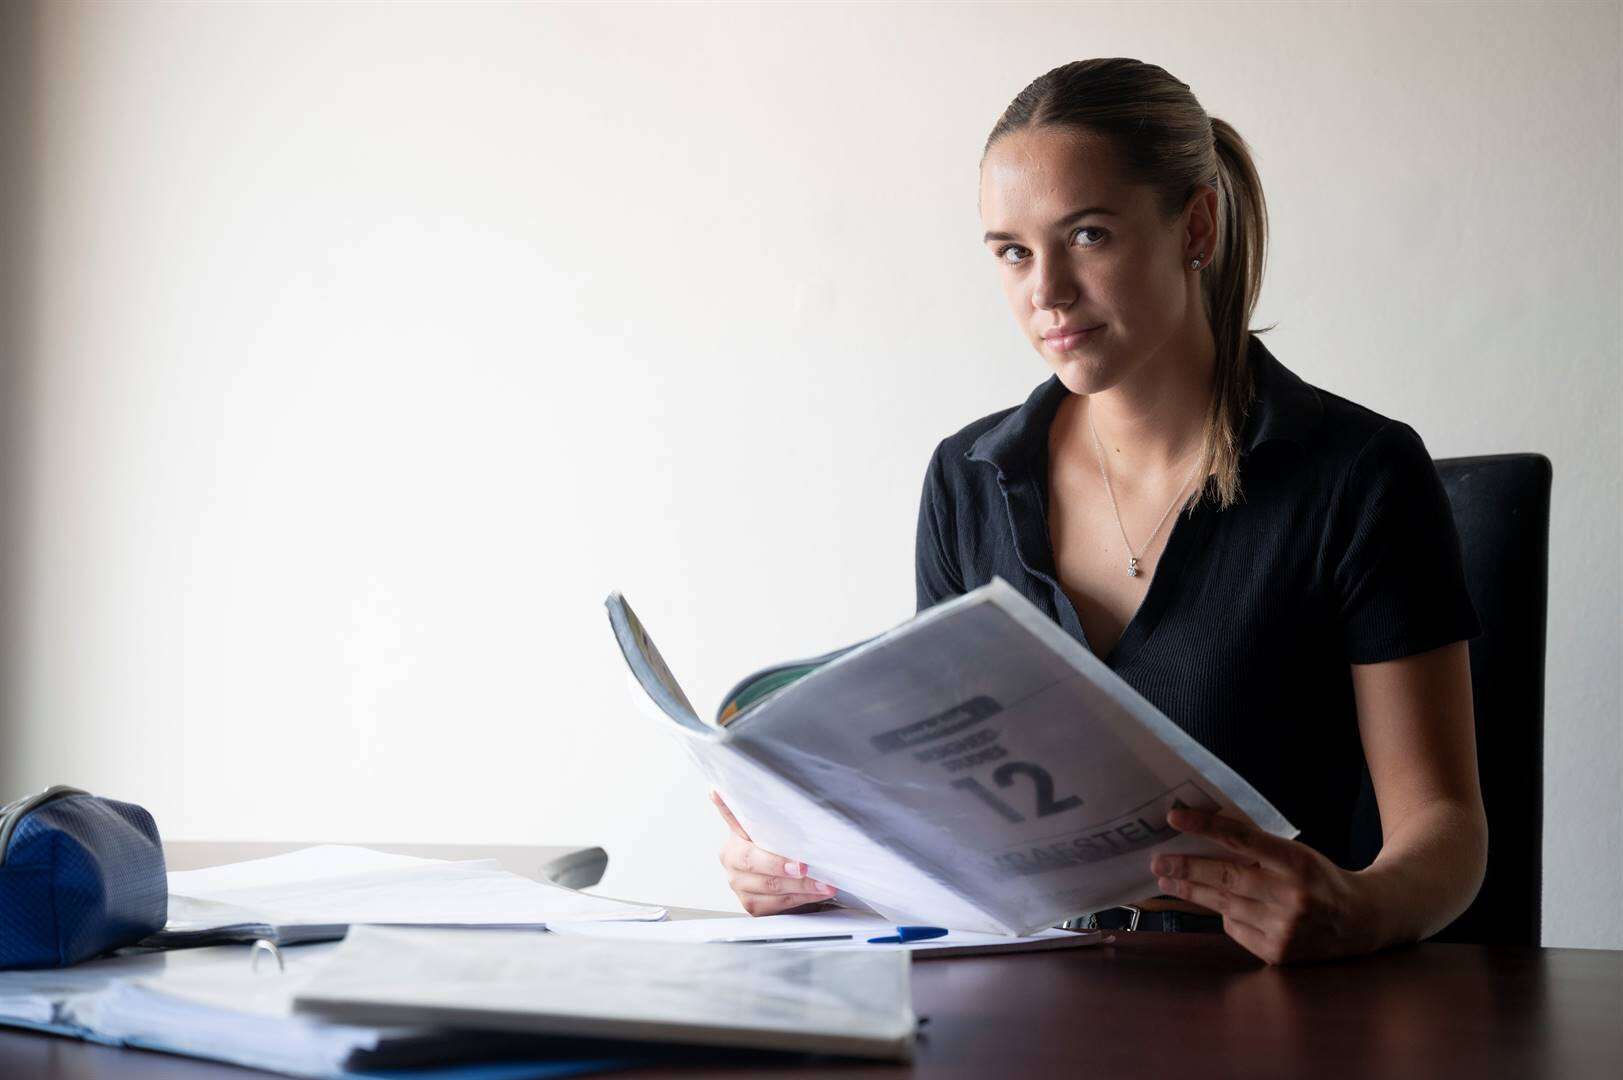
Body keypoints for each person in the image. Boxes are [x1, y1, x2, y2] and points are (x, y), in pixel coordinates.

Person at [711, 58, 1488, 966]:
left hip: (1270, 999)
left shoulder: (1356, 474)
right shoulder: (968, 478)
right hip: (1016, 992)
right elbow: (949, 820)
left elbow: (1446, 834)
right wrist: (805, 868)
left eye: (1085, 236)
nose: (1044, 290)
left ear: (1194, 225)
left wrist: (1355, 908)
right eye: (1011, 251)